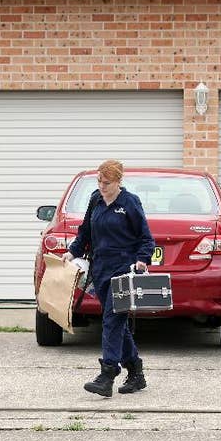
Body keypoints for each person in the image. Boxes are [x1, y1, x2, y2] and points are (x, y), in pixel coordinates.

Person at [63, 160, 155, 397]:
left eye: (107, 183)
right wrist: (73, 251)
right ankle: (136, 372)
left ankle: (107, 374)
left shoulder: (130, 203)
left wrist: (143, 259)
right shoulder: (95, 199)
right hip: (100, 268)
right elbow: (85, 230)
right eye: (99, 182)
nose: (102, 186)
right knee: (116, 323)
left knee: (112, 320)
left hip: (123, 269)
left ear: (118, 182)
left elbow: (146, 238)